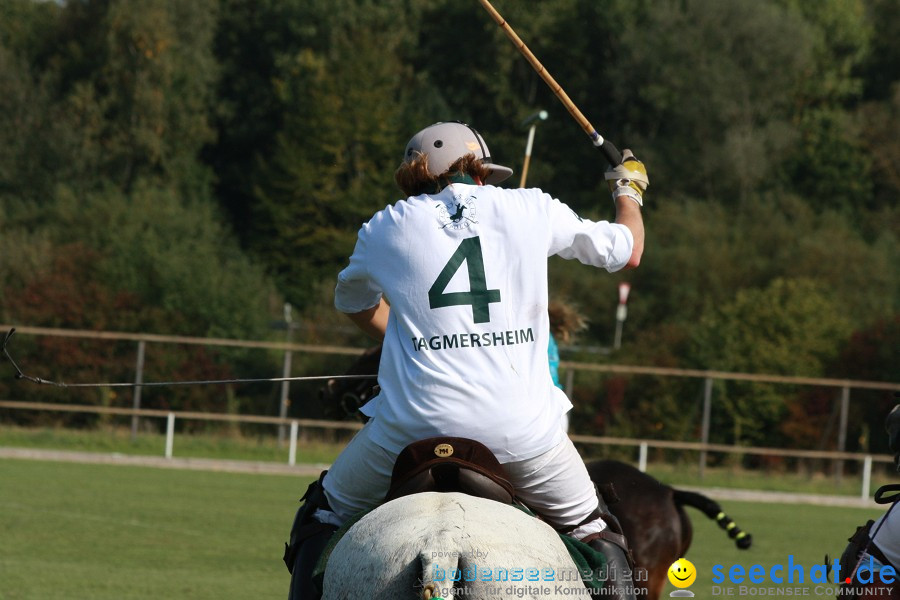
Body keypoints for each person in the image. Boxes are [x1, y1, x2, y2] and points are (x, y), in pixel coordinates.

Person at [284, 121, 647, 600]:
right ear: (481, 170)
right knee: (597, 531)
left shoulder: (383, 227)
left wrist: (407, 336)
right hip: (524, 435)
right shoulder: (530, 205)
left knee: (320, 515)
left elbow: (352, 303)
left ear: (414, 174)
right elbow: (628, 251)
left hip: (409, 432)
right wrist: (629, 188)